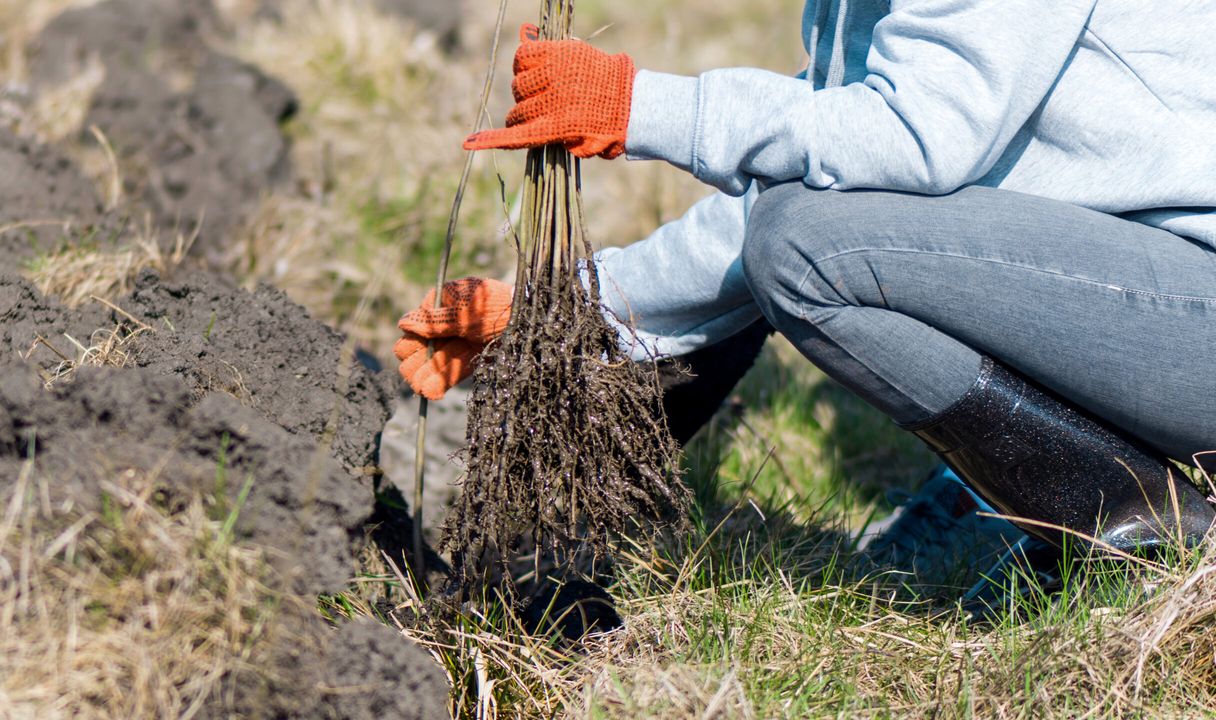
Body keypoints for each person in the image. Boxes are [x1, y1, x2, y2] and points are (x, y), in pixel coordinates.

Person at [394, 1, 1216, 574]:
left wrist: (641, 107)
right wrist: (582, 305)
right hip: (1145, 299)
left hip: (1193, 306)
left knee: (809, 250)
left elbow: (909, 141)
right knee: (803, 235)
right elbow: (820, 171)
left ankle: (1139, 532)